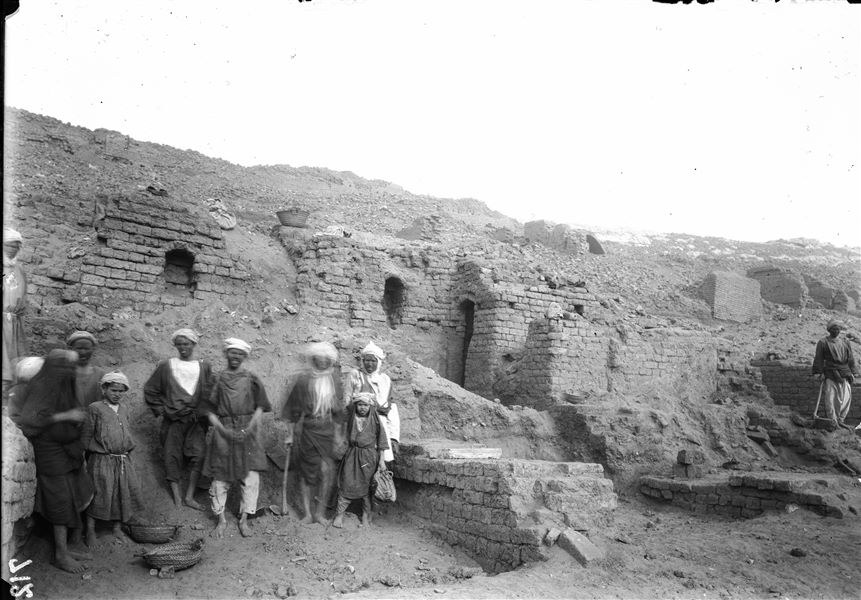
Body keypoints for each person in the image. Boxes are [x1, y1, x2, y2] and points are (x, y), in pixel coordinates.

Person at [12, 349, 94, 573]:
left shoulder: (63, 386)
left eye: (69, 367)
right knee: (60, 502)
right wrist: (66, 416)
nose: (67, 371)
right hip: (49, 453)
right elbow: (31, 419)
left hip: (65, 452)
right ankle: (60, 555)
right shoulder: (42, 386)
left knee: (71, 497)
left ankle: (65, 548)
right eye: (61, 366)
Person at [202, 338, 271, 538]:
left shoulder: (251, 379)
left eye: (240, 354)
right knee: (220, 478)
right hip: (223, 429)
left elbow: (260, 406)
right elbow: (208, 409)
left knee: (250, 478)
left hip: (248, 430)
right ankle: (221, 520)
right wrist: (220, 429)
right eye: (232, 353)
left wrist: (250, 427)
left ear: (244, 356)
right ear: (226, 354)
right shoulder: (217, 379)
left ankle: (243, 520)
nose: (235, 357)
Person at [144, 328, 213, 510]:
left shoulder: (204, 367)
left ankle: (189, 496)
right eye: (180, 344)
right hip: (173, 421)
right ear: (175, 345)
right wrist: (163, 410)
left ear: (194, 344)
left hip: (195, 422)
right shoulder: (166, 366)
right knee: (171, 456)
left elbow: (209, 394)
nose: (183, 347)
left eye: (187, 343)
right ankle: (176, 497)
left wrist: (204, 413)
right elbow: (151, 390)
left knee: (199, 456)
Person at [281, 342, 345, 524]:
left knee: (326, 471)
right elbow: (293, 410)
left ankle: (320, 513)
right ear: (314, 359)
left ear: (330, 360)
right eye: (319, 358)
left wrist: (339, 435)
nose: (322, 362)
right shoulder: (303, 380)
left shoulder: (333, 380)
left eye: (326, 359)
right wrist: (290, 434)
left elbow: (339, 412)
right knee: (306, 472)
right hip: (308, 430)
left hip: (327, 431)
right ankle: (307, 513)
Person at [81, 372, 145, 546]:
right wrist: (85, 457)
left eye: (121, 391)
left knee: (121, 492)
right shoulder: (95, 408)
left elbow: (126, 433)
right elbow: (86, 435)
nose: (117, 394)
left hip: (123, 460)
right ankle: (91, 531)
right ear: (104, 389)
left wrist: (128, 452)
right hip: (102, 460)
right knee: (99, 493)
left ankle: (117, 528)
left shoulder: (124, 409)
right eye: (113, 390)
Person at [332, 392, 388, 528]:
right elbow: (340, 415)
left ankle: (365, 516)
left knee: (367, 486)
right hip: (352, 454)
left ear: (370, 406)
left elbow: (382, 441)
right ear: (355, 405)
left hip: (369, 456)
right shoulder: (351, 416)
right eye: (360, 405)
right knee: (346, 482)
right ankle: (339, 515)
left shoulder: (375, 419)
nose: (362, 408)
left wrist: (382, 461)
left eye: (365, 405)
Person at [348, 342, 400, 464]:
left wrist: (394, 436)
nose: (369, 364)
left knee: (381, 462)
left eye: (373, 360)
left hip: (381, 426)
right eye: (367, 360)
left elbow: (391, 408)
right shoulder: (355, 376)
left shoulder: (385, 380)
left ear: (379, 362)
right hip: (360, 426)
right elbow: (347, 401)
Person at [812, 320, 859, 430]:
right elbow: (818, 358)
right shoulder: (823, 342)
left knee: (845, 398)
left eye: (838, 329)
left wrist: (854, 371)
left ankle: (841, 420)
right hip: (831, 372)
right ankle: (833, 420)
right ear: (829, 330)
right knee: (831, 398)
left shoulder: (845, 342)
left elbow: (850, 358)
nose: (836, 331)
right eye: (834, 329)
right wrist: (818, 372)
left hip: (844, 372)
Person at [3, 228, 28, 398]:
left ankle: (9, 390)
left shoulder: (20, 271)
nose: (13, 250)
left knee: (13, 355)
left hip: (14, 321)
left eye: (16, 247)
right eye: (10, 246)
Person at [66, 331, 107, 407]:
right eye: (79, 348)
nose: (83, 352)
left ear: (93, 349)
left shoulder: (100, 375)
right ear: (70, 349)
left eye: (87, 348)